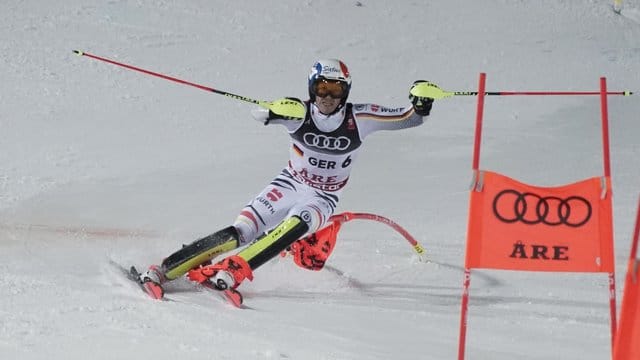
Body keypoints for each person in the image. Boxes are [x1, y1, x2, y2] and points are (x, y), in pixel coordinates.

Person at [139, 59, 435, 297]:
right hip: (289, 184)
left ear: (346, 91)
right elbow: (260, 114)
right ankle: (165, 270)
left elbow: (408, 117)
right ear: (311, 88)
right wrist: (275, 110)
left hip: (323, 197)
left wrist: (421, 103)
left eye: (335, 89)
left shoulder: (360, 118)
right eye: (321, 88)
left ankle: (234, 271)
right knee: (241, 231)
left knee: (295, 227)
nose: (328, 97)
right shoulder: (299, 114)